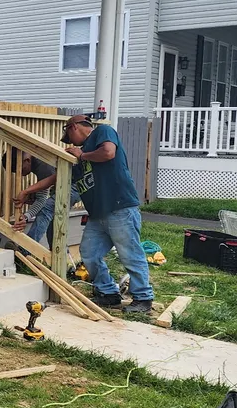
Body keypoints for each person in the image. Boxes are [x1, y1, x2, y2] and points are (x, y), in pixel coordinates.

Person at [16, 115, 153, 313]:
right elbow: (56, 178)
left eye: (69, 137)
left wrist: (82, 155)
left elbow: (108, 153)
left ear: (74, 127)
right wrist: (27, 191)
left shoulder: (102, 132)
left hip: (120, 207)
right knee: (89, 253)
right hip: (98, 215)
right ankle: (108, 293)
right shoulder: (80, 159)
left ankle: (143, 298)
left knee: (130, 254)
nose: (70, 143)